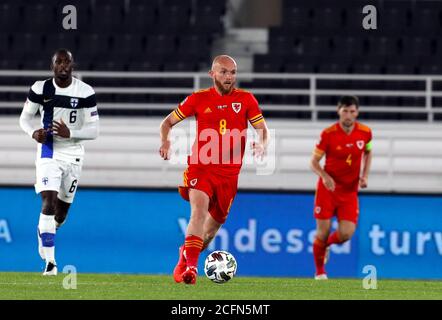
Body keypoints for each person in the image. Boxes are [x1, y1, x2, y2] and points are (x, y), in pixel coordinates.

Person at [159, 55, 269, 285]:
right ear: (212, 74)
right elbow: (167, 122)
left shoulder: (247, 100)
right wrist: (165, 141)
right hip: (201, 167)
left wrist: (262, 143)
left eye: (232, 72)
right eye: (223, 72)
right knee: (198, 212)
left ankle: (184, 256)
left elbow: (262, 128)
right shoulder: (198, 99)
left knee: (208, 234)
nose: (229, 77)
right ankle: (191, 268)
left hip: (229, 175)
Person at [19, 49, 99, 275]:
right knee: (48, 203)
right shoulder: (39, 89)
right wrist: (33, 133)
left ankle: (45, 231)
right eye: (58, 62)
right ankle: (51, 264)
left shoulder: (85, 92)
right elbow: (25, 118)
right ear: (52, 65)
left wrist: (69, 132)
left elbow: (94, 131)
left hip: (73, 154)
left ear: (73, 64)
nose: (63, 65)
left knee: (60, 214)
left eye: (67, 61)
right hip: (49, 152)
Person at [310, 95, 372, 280]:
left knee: (346, 233)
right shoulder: (328, 134)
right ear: (339, 111)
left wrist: (365, 175)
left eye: (352, 111)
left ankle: (326, 246)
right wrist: (325, 176)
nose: (348, 115)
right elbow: (313, 162)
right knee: (323, 231)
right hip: (328, 190)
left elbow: (368, 152)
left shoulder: (365, 132)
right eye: (345, 111)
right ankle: (320, 272)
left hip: (350, 191)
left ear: (357, 112)